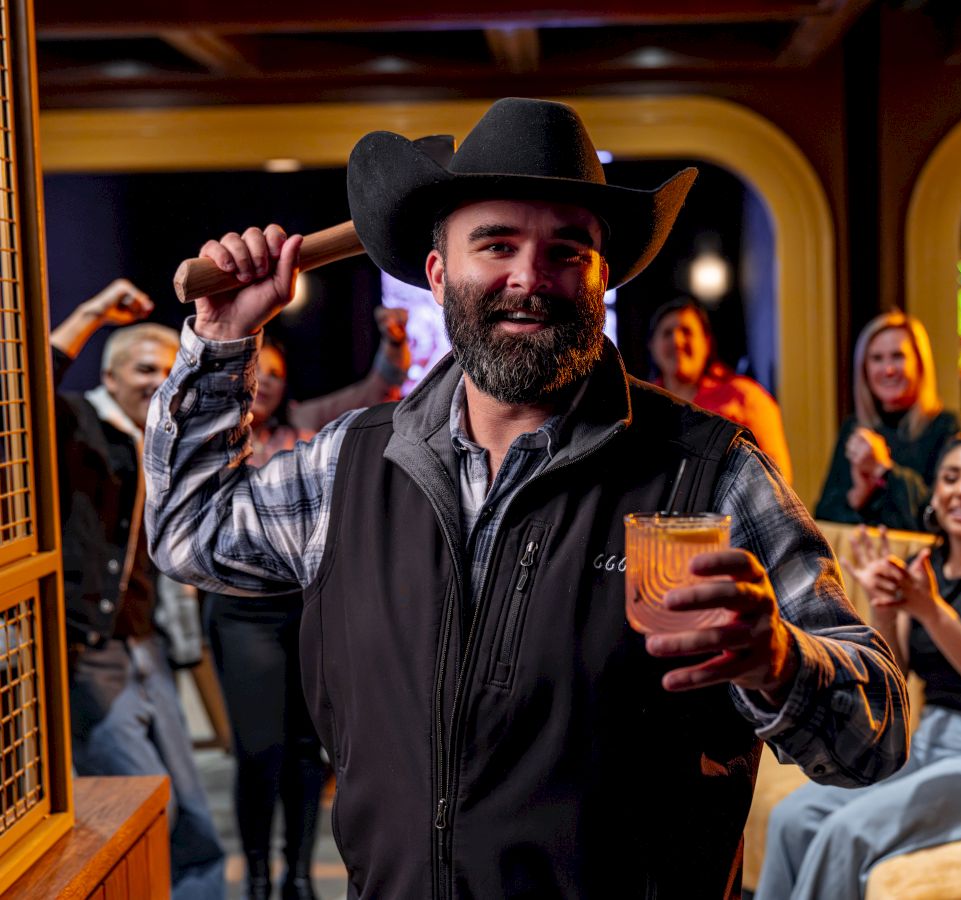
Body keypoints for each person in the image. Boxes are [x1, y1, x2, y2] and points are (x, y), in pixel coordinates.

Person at [144, 97, 909, 898]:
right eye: (496, 244)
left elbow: (872, 740)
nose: (529, 279)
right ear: (438, 274)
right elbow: (189, 531)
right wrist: (222, 340)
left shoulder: (702, 472)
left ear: (601, 277)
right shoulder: (354, 463)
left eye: (566, 250)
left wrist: (782, 662)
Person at [757, 431, 961, 900]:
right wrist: (885, 605)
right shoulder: (929, 566)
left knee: (847, 834)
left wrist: (929, 610)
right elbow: (895, 671)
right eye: (951, 478)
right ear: (935, 492)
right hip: (931, 745)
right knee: (793, 818)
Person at [206, 311, 411, 900]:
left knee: (304, 750)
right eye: (256, 369)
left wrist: (393, 342)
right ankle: (258, 879)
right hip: (243, 611)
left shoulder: (307, 426)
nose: (266, 379)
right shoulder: (219, 437)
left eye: (275, 371)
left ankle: (297, 877)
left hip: (306, 606)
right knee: (259, 749)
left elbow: (376, 390)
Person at [49, 278, 225, 900]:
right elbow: (17, 395)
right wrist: (91, 312)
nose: (158, 380)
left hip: (144, 644)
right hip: (89, 652)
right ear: (113, 376)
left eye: (167, 368)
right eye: (144, 369)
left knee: (196, 821)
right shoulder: (70, 422)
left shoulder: (159, 441)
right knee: (144, 811)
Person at [815, 311, 961, 531]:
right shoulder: (854, 428)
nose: (888, 370)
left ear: (919, 364)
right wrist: (860, 494)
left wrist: (883, 470)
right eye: (877, 358)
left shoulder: (948, 427)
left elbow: (941, 517)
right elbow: (823, 519)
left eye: (898, 356)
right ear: (864, 369)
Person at [648, 295, 794, 483]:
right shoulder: (640, 405)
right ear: (652, 346)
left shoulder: (745, 396)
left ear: (707, 342)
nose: (677, 340)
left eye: (687, 331)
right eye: (667, 333)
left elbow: (778, 479)